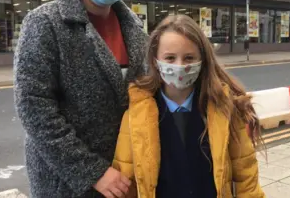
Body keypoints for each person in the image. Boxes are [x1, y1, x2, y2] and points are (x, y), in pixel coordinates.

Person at [13, 0, 147, 197]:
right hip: (67, 183)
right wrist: (92, 172)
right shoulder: (45, 23)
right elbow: (34, 108)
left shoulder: (135, 28)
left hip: (123, 176)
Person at [112, 15, 266, 198]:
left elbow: (245, 176)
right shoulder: (136, 114)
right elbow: (126, 179)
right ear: (155, 60)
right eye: (170, 58)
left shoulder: (224, 109)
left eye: (189, 58)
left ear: (202, 60)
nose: (180, 66)